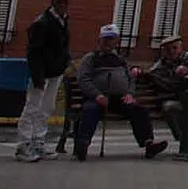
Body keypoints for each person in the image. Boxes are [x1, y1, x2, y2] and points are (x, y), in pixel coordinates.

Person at [71, 24, 167, 160]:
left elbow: (130, 78)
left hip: (119, 98)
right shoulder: (91, 58)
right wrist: (97, 95)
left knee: (139, 110)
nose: (108, 43)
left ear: (116, 41)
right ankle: (82, 145)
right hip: (97, 97)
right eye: (105, 39)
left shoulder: (121, 60)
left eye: (111, 39)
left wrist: (129, 94)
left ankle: (148, 144)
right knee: (89, 110)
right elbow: (83, 78)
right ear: (99, 40)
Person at [13, 0, 74, 162]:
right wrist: (38, 77)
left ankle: (38, 141)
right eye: (59, 1)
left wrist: (64, 62)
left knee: (46, 108)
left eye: (65, 2)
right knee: (32, 107)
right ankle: (23, 145)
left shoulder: (63, 21)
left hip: (55, 71)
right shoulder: (41, 23)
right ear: (52, 2)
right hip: (42, 73)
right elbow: (34, 53)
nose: (63, 5)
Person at [146, 36, 188, 145]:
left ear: (180, 48)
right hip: (176, 99)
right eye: (167, 50)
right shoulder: (160, 65)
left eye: (174, 48)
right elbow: (150, 74)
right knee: (168, 107)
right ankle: (182, 139)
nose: (171, 52)